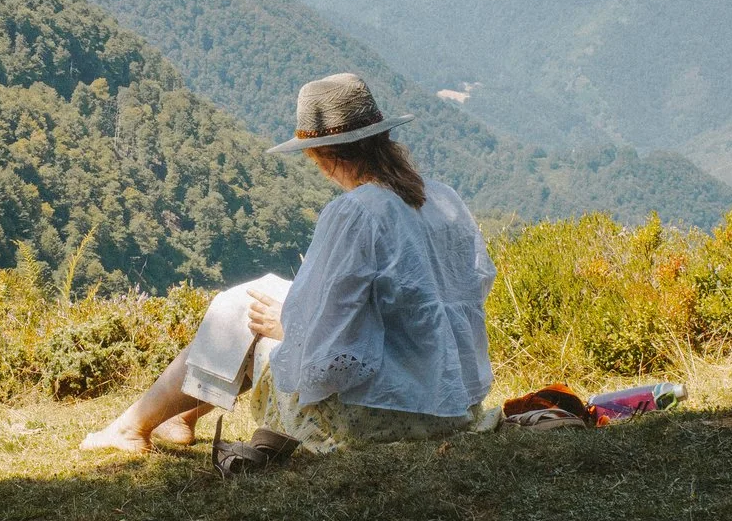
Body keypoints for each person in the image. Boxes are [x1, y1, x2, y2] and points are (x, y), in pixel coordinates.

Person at [80, 73, 497, 457]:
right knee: (255, 295)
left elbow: (331, 349)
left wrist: (288, 327)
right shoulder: (443, 199)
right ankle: (180, 417)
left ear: (320, 153)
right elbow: (459, 295)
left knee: (244, 310)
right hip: (451, 401)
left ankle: (134, 425)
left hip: (382, 415)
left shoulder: (356, 213)